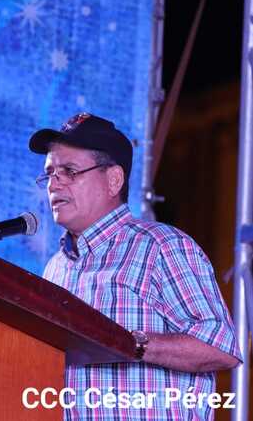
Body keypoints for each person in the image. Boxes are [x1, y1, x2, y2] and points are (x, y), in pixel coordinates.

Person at [30, 112, 241, 420]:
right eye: (49, 173)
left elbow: (220, 347)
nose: (53, 184)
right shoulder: (55, 268)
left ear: (114, 180)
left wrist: (130, 343)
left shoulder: (161, 246)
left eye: (69, 171)